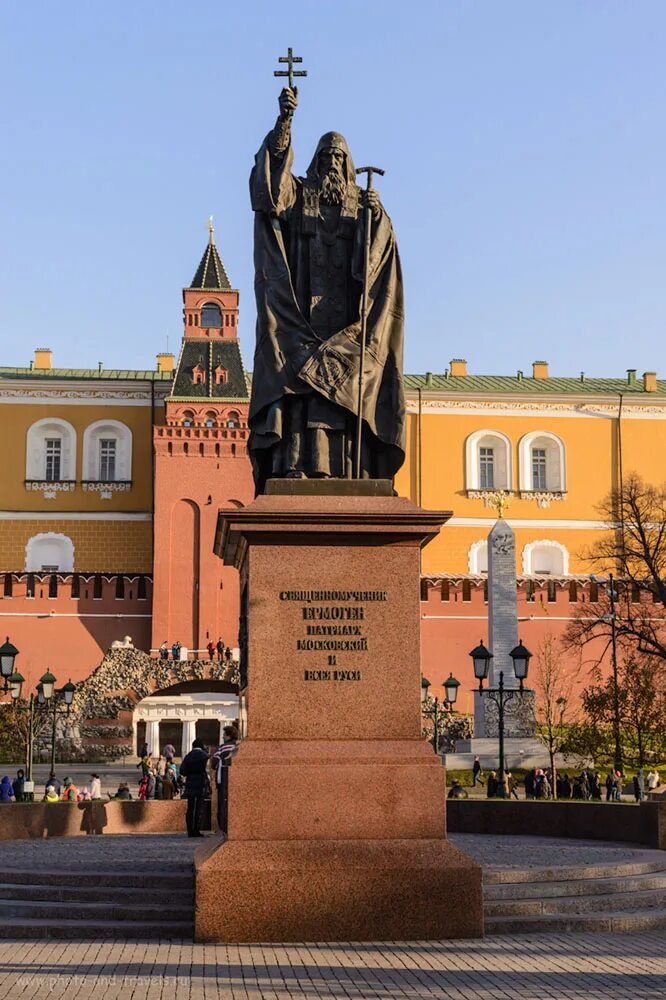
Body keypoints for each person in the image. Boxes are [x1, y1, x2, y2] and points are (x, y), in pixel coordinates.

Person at [248, 85, 405, 491]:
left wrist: (375, 221)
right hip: (300, 314)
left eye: (340, 157)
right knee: (301, 386)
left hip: (349, 318)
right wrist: (285, 123)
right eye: (326, 156)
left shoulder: (363, 203)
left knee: (347, 383)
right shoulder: (301, 197)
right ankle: (296, 462)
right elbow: (269, 196)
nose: (333, 163)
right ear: (316, 161)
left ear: (349, 164)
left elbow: (379, 261)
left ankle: (355, 469)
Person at [180, 738, 210, 837]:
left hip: (190, 783)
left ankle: (190, 830)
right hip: (201, 783)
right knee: (199, 807)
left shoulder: (188, 756)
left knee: (190, 808)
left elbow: (182, 771)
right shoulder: (205, 756)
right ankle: (197, 830)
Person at [211, 725, 239, 834]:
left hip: (224, 780)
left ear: (228, 736)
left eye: (224, 735)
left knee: (223, 805)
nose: (222, 737)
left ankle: (224, 828)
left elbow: (214, 763)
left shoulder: (222, 748)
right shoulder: (241, 745)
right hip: (238, 781)